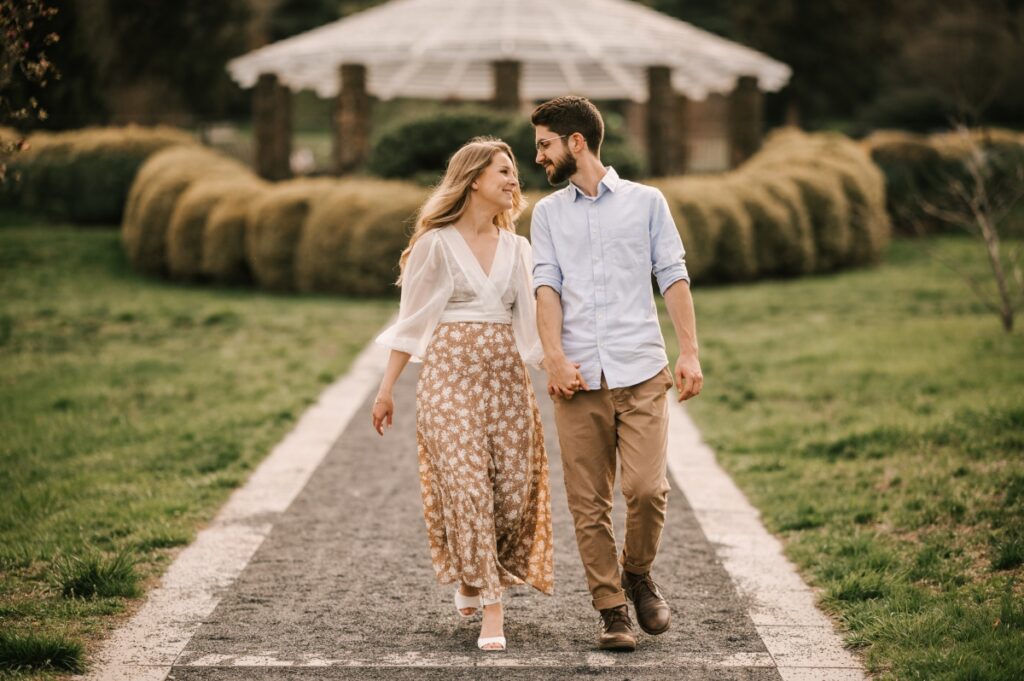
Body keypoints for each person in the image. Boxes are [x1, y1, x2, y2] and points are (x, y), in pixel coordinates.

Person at [529, 96, 704, 652]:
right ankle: (611, 611)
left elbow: (672, 275)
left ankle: (638, 573)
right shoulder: (547, 215)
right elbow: (546, 288)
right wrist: (554, 357)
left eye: (545, 144)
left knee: (647, 489)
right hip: (577, 378)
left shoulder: (647, 203)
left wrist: (690, 351)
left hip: (640, 369)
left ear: (576, 143)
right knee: (588, 505)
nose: (539, 157)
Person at [371, 137, 554, 652]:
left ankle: (473, 577)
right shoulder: (435, 244)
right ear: (474, 178)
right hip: (449, 378)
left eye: (515, 169)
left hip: (505, 381)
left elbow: (533, 329)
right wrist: (386, 390)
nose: (514, 177)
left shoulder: (520, 249)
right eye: (503, 169)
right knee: (469, 488)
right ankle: (491, 612)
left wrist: (560, 371)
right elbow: (411, 324)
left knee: (512, 491)